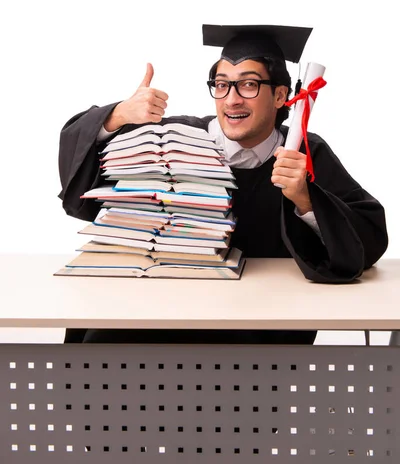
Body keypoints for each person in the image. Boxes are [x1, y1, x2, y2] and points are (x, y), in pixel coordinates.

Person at [58, 24, 388, 344]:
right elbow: (85, 187)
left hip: (257, 328)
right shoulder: (173, 141)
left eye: (248, 85)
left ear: (280, 96)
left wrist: (306, 199)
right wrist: (118, 116)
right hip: (159, 316)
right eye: (221, 84)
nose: (231, 100)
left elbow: (368, 239)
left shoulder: (304, 155)